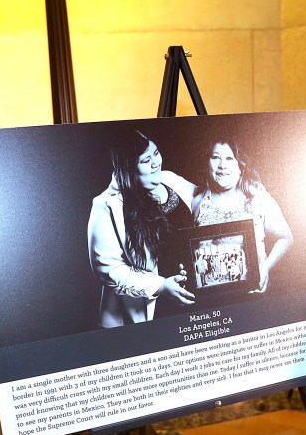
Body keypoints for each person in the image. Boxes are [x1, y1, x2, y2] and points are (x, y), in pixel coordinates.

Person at [88, 130, 196, 326]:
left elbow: (209, 199)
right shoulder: (106, 205)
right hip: (149, 314)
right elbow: (108, 269)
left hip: (191, 304)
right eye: (146, 161)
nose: (156, 163)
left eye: (156, 153)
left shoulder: (169, 179)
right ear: (129, 168)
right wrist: (162, 286)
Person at [192, 139, 293, 293]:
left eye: (229, 158)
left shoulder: (257, 198)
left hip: (251, 293)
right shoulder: (198, 201)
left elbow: (286, 237)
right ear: (208, 163)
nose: (222, 165)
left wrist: (264, 269)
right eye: (215, 157)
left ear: (240, 166)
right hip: (212, 297)